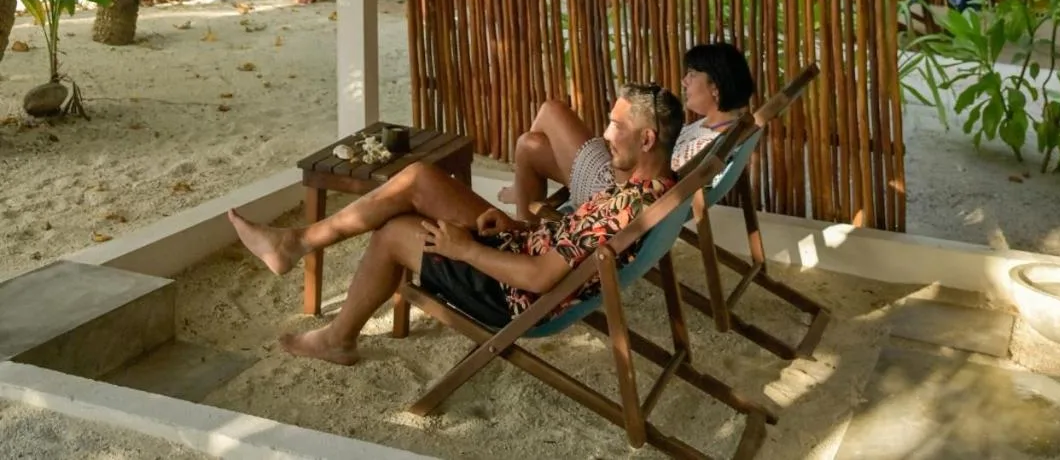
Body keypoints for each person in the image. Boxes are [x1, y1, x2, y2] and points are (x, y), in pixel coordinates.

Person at [226, 83, 684, 366]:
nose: (604, 135)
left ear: (646, 138)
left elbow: (544, 277)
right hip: (522, 247)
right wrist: (523, 229)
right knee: (421, 179)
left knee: (396, 231)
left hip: (515, 293)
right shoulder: (655, 187)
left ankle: (338, 338)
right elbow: (570, 245)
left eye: (614, 126)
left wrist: (464, 249)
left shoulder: (627, 206)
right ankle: (295, 243)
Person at [498, 42, 755, 221]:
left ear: (715, 87)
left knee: (552, 109)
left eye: (692, 74)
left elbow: (654, 175)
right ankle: (524, 230)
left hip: (615, 193)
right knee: (528, 144)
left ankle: (519, 194)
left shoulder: (711, 143)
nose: (684, 81)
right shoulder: (725, 126)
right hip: (623, 180)